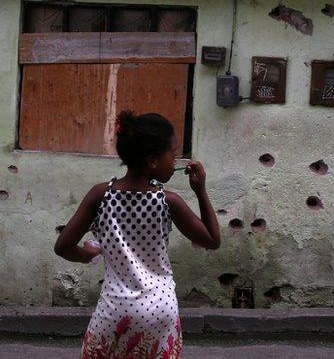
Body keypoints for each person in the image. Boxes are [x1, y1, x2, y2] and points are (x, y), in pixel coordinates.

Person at [55, 111, 220, 358]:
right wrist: (200, 191)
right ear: (153, 161)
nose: (175, 160)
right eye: (172, 154)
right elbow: (212, 240)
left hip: (114, 311)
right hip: (159, 312)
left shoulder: (100, 195)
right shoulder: (168, 201)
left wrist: (86, 254)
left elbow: (63, 247)